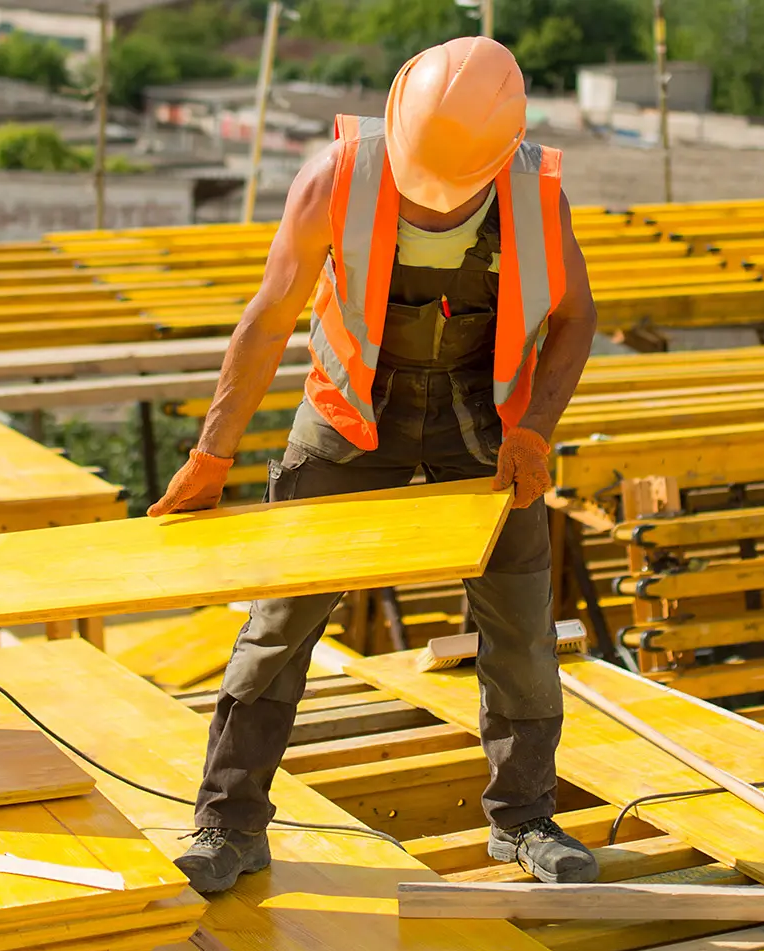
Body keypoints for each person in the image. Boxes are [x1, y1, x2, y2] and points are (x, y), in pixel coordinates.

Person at [146, 37, 599, 893]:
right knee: (280, 626)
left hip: (485, 422)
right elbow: (270, 315)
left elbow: (578, 318)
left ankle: (526, 819)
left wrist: (536, 430)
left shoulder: (536, 197)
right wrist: (212, 455)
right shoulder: (336, 178)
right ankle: (228, 824)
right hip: (353, 413)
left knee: (521, 633)